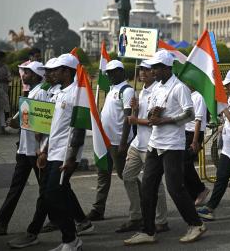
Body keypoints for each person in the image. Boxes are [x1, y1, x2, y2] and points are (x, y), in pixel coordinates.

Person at [123, 50, 206, 245]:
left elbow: (189, 114)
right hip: (154, 143)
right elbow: (154, 115)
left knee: (175, 188)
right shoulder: (157, 88)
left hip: (173, 145)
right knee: (147, 187)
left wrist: (165, 119)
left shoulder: (179, 88)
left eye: (156, 68)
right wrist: (152, 116)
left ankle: (196, 224)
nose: (152, 71)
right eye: (152, 68)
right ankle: (148, 230)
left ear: (167, 68)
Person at [0, 62, 46, 238]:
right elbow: (28, 118)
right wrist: (17, 123)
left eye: (26, 72)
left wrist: (20, 123)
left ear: (35, 75)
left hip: (36, 150)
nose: (23, 75)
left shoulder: (41, 92)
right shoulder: (31, 92)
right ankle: (2, 222)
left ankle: (72, 220)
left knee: (49, 190)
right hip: (24, 148)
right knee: (16, 187)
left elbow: (43, 121)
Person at [40, 53, 88, 251]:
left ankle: (72, 240)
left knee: (53, 195)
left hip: (66, 153)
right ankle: (70, 238)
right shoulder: (59, 91)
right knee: (51, 195)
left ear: (67, 71)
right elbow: (55, 126)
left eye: (56, 70)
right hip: (53, 151)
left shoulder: (78, 92)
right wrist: (44, 150)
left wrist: (71, 158)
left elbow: (79, 128)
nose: (52, 73)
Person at [117, 61, 168, 234]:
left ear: (154, 72)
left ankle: (161, 220)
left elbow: (155, 121)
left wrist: (135, 120)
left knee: (155, 184)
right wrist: (135, 109)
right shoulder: (141, 91)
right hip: (138, 142)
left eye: (147, 70)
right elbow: (135, 118)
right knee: (127, 176)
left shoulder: (159, 91)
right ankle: (136, 216)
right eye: (141, 70)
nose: (143, 73)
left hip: (151, 145)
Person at [198, 69, 230, 220]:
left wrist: (225, 111)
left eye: (229, 84)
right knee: (221, 179)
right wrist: (222, 125)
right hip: (228, 149)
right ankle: (210, 208)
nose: (226, 87)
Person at [88, 60, 135, 221]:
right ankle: (98, 209)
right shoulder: (111, 89)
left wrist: (123, 143)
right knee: (103, 175)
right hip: (105, 141)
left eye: (114, 71)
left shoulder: (126, 90)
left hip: (118, 143)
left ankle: (144, 202)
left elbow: (128, 117)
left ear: (122, 72)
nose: (111, 74)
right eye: (108, 72)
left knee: (126, 175)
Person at [185, 87, 211, 206]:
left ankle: (201, 190)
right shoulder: (186, 94)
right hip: (184, 132)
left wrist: (195, 141)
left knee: (185, 163)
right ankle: (192, 194)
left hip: (194, 134)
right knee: (182, 165)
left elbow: (198, 120)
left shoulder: (198, 96)